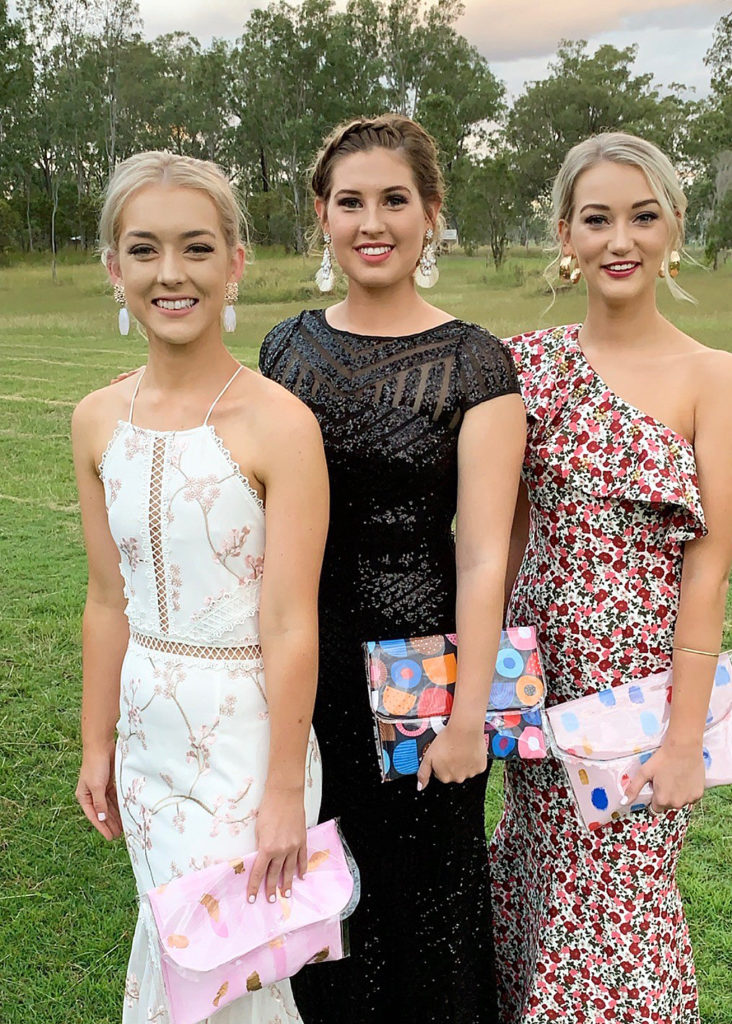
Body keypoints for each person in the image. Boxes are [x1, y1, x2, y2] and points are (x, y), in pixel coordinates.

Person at [258, 114, 526, 1023]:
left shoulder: (476, 363)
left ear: (432, 213)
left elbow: (485, 552)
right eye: (350, 201)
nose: (373, 222)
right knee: (323, 897)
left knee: (429, 904)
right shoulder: (284, 350)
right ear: (323, 220)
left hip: (425, 675)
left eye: (395, 200)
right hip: (306, 664)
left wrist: (468, 715)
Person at [73, 151, 328, 1024]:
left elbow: (293, 621)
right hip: (147, 735)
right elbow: (108, 598)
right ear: (114, 268)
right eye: (144, 250)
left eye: (196, 248)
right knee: (173, 951)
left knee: (235, 976)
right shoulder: (96, 420)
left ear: (235, 263)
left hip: (249, 741)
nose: (170, 274)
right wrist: (94, 741)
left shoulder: (280, 423)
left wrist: (285, 792)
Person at [491, 132, 732, 1023]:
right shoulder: (524, 365)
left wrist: (681, 742)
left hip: (636, 710)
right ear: (566, 232)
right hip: (537, 683)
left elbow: (708, 579)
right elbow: (500, 543)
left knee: (621, 924)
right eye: (597, 219)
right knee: (541, 897)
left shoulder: (715, 379)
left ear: (673, 230)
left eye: (642, 216)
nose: (619, 239)